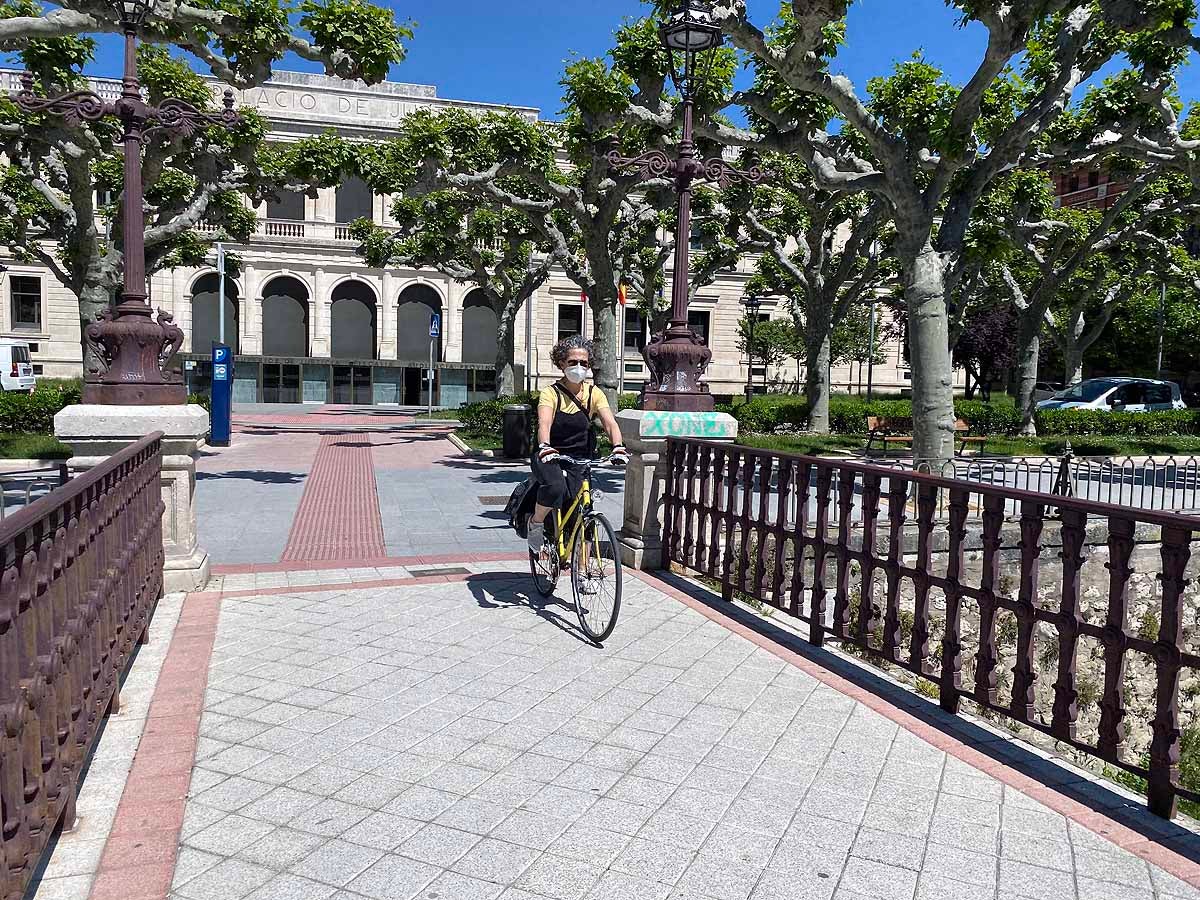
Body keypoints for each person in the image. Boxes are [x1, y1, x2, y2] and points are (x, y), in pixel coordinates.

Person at [527, 335, 628, 555]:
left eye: (583, 363)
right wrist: (545, 446)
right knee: (556, 488)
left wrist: (618, 446)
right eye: (573, 362)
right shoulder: (550, 393)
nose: (579, 367)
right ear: (561, 363)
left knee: (585, 510)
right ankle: (536, 523)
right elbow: (544, 423)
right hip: (549, 453)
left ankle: (584, 572)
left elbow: (610, 423)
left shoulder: (594, 393)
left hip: (580, 456)